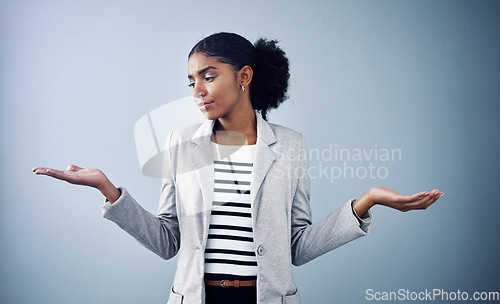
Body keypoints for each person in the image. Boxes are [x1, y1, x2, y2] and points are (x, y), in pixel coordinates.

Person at [33, 32, 444, 304]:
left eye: (208, 77)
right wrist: (108, 189)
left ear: (244, 76)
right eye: (191, 81)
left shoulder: (290, 145)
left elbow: (296, 247)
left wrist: (366, 202)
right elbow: (167, 242)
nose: (197, 90)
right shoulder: (182, 144)